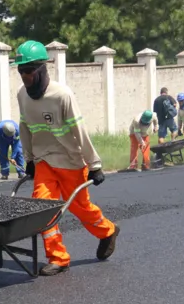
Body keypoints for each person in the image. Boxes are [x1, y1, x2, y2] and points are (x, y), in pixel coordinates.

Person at [13, 40, 120, 276]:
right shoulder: (22, 95)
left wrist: (94, 164)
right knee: (42, 209)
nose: (24, 76)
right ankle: (58, 258)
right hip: (44, 161)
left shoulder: (62, 95)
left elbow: (78, 129)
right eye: (20, 71)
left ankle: (108, 231)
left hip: (71, 161)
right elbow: (25, 128)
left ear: (41, 69)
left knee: (82, 208)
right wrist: (29, 159)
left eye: (28, 71)